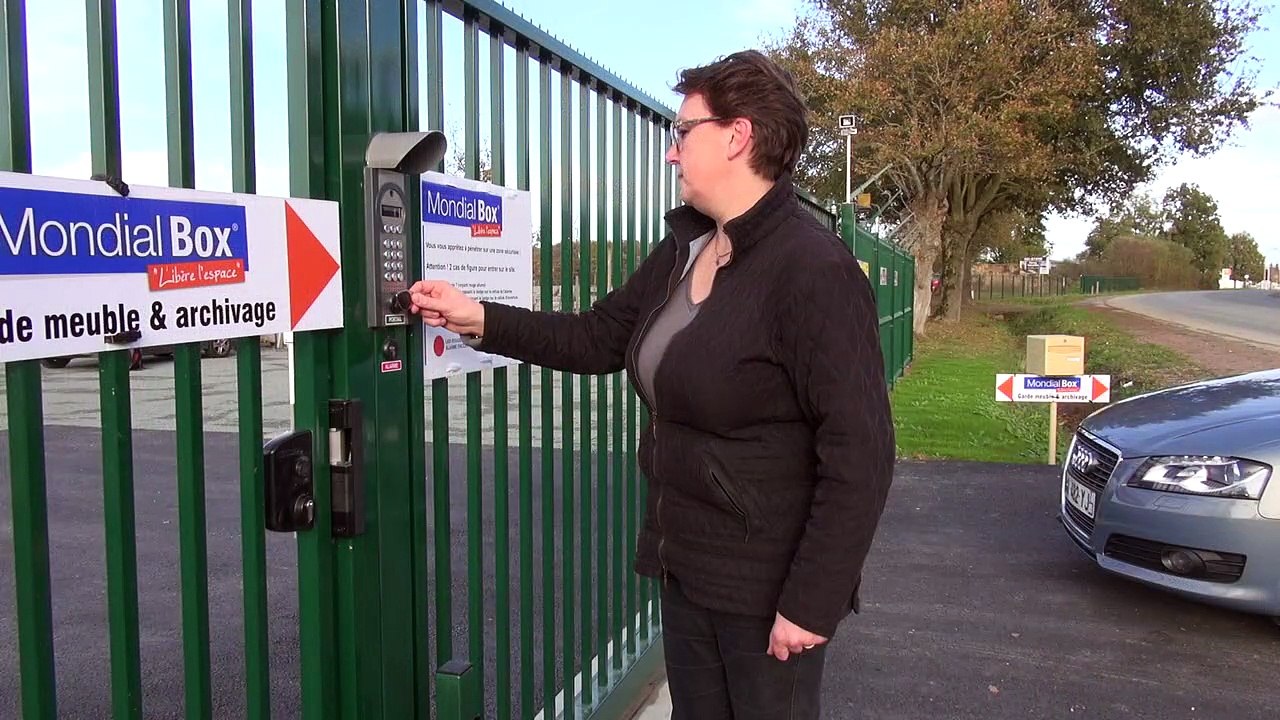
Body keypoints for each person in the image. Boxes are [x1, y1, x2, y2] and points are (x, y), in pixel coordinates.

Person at [408, 49, 895, 719]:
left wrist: (810, 601)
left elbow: (861, 452)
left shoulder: (812, 271)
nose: (671, 153)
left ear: (737, 135)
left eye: (681, 131)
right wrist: (478, 318)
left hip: (766, 585)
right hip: (686, 567)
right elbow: (599, 336)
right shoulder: (687, 247)